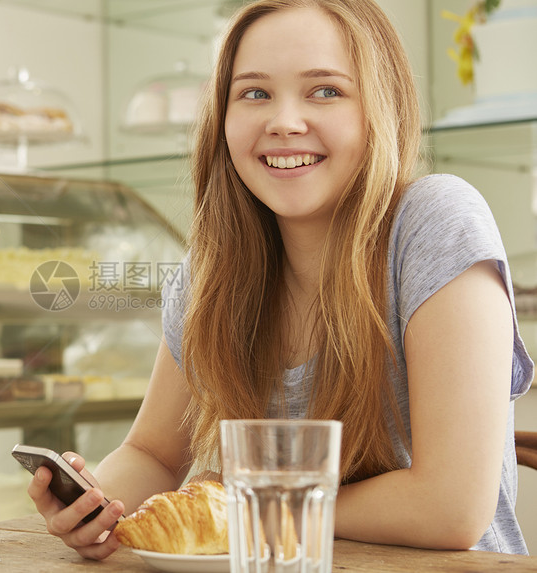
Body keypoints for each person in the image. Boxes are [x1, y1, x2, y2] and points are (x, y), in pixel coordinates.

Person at [27, 0, 534, 558]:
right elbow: (151, 454)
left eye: (325, 91)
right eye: (254, 93)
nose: (284, 122)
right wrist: (98, 506)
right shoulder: (213, 270)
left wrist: (246, 508)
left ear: (380, 109)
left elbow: (450, 508)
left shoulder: (435, 221)